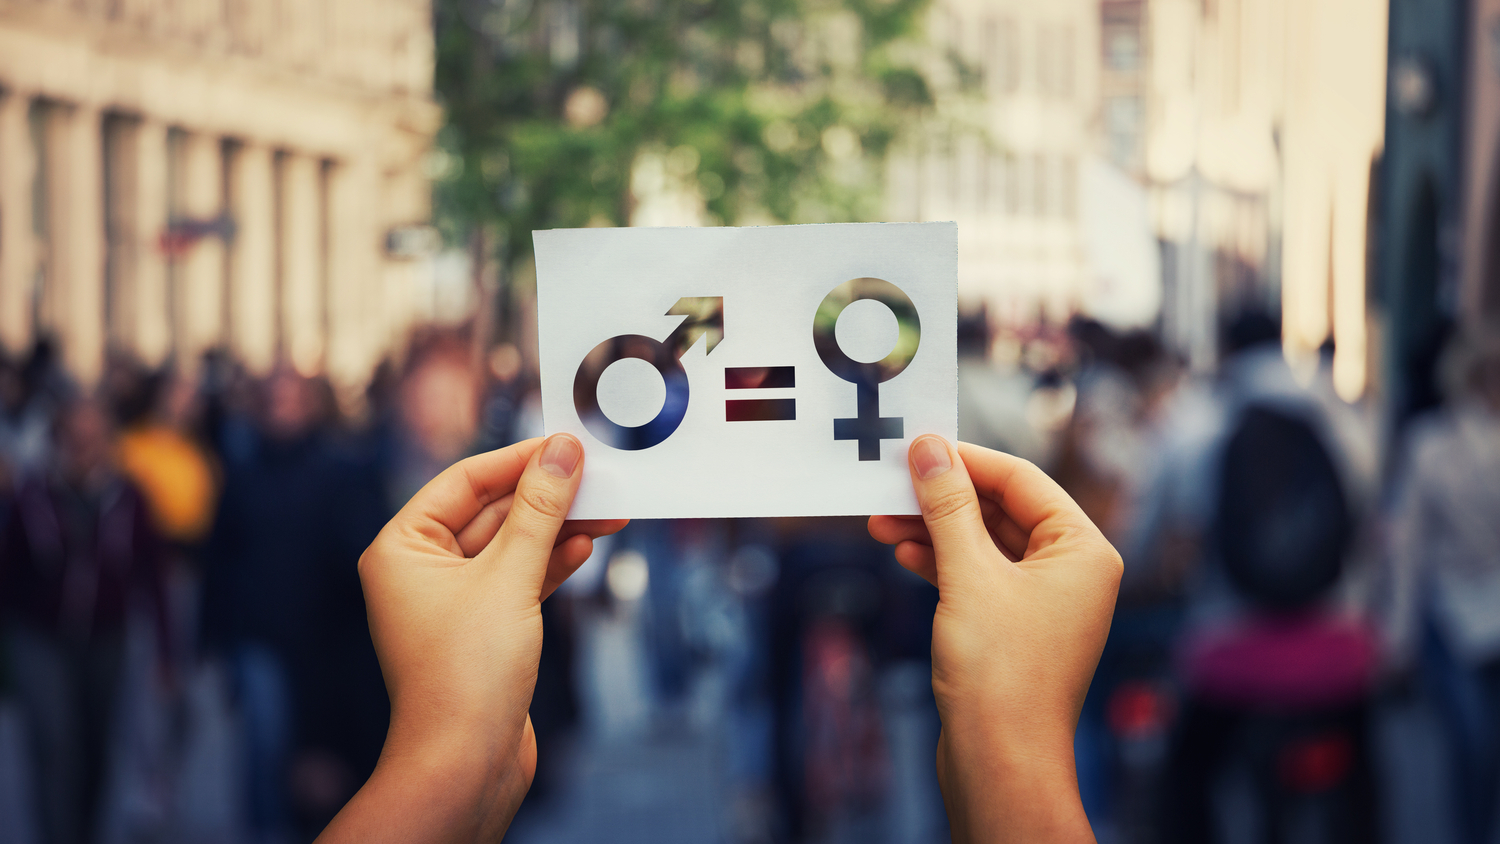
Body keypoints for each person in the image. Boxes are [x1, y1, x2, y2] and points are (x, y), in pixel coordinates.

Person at [312, 433, 1121, 843]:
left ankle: (756, 788)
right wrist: (1013, 754)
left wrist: (446, 762)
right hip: (855, 577)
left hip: (810, 575)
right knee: (770, 681)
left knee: (761, 687)